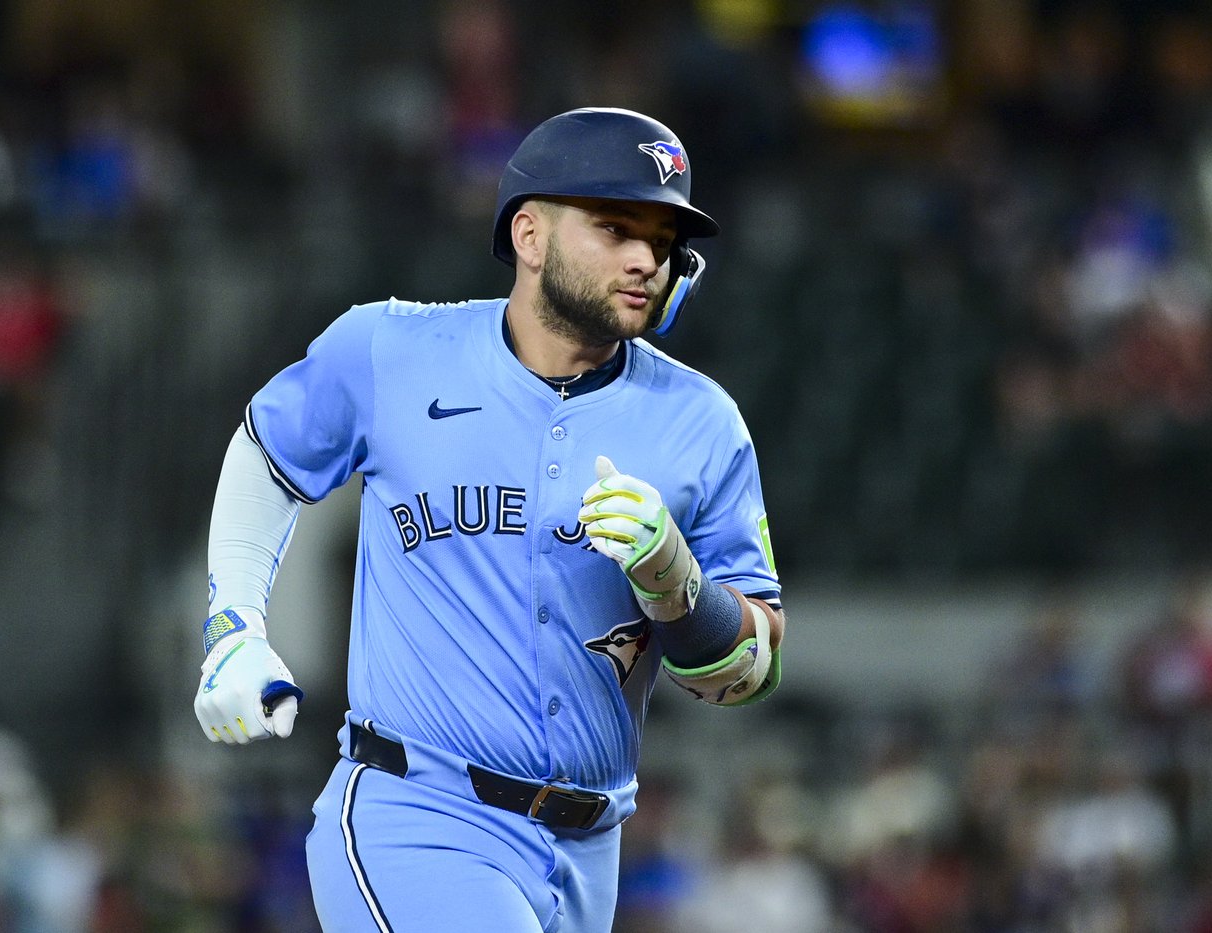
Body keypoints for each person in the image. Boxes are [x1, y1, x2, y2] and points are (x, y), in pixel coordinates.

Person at [193, 107, 785, 933]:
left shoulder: (702, 422)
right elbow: (266, 453)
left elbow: (750, 670)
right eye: (616, 227)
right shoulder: (390, 350)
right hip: (417, 814)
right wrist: (233, 623)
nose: (645, 259)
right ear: (530, 234)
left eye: (662, 239)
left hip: (588, 852)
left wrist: (676, 583)